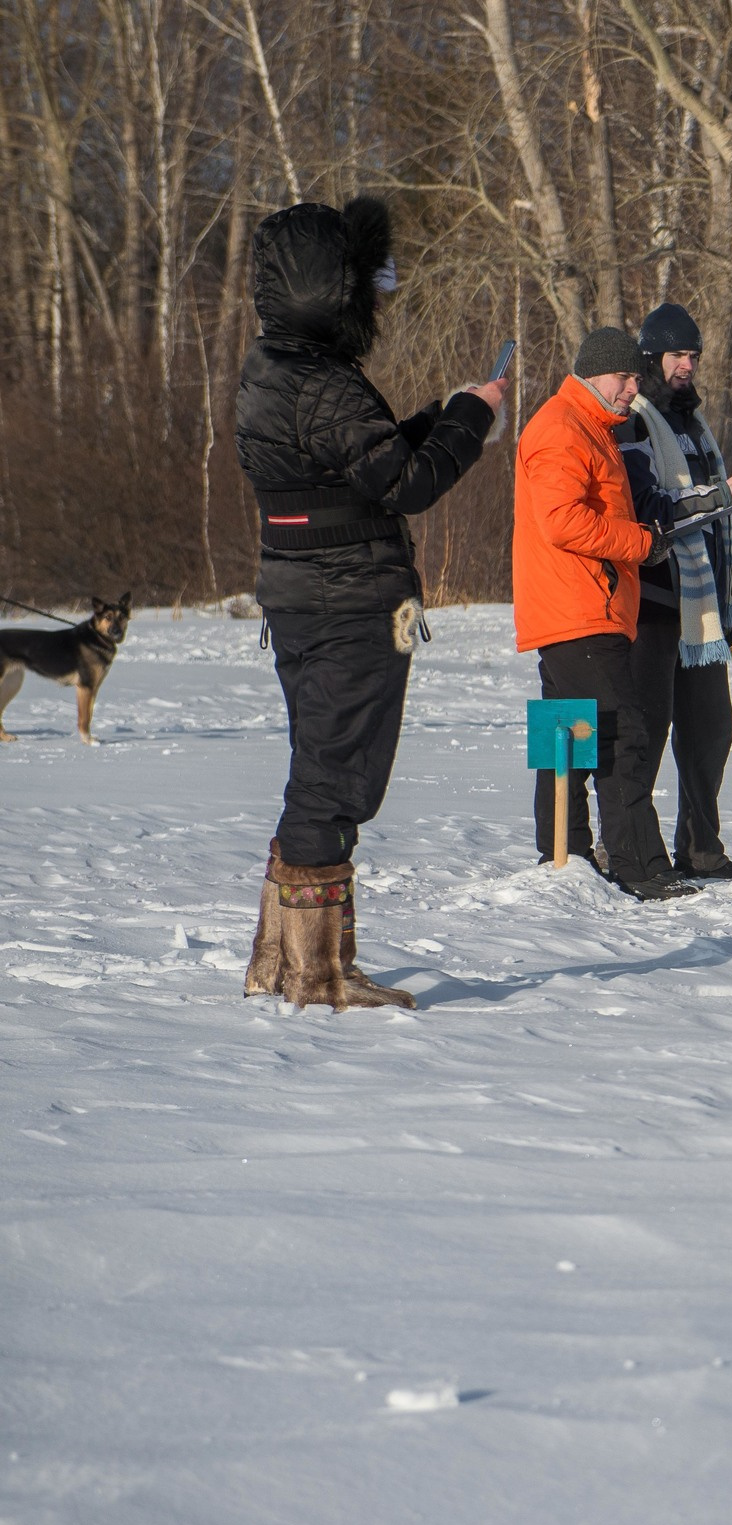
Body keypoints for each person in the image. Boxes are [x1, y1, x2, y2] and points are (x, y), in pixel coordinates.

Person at [235, 194, 506, 1010]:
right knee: (337, 783)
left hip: (302, 596)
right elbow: (404, 482)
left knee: (317, 774)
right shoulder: (324, 383)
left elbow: (361, 461)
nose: (377, 297)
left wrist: (438, 416)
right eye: (365, 283)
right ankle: (319, 976)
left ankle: (278, 961)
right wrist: (470, 418)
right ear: (336, 289)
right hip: (350, 603)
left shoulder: (273, 370)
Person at [513, 326, 697, 902]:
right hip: (580, 609)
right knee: (624, 736)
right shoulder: (563, 429)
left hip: (575, 609)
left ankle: (561, 856)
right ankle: (638, 867)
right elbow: (562, 522)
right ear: (594, 374)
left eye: (636, 379)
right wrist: (640, 543)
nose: (632, 390)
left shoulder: (584, 426)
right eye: (624, 378)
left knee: (567, 736)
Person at [618, 302, 732, 879]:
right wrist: (718, 497)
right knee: (646, 733)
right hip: (655, 607)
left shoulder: (692, 423)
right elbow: (647, 511)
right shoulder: (637, 419)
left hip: (702, 612)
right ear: (652, 358)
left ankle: (701, 847)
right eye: (678, 355)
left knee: (710, 729)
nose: (688, 366)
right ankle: (633, 852)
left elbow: (716, 520)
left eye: (694, 356)